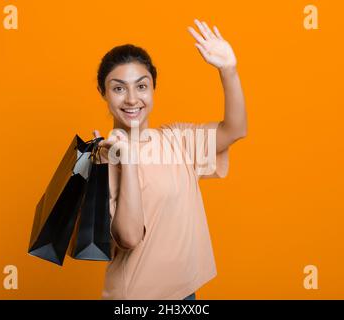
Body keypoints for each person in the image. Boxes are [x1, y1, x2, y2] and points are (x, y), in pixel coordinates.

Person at [94, 19, 247, 300]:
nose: (131, 99)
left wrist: (229, 71)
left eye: (141, 86)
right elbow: (129, 237)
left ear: (153, 88)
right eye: (118, 88)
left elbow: (234, 130)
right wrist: (127, 160)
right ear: (103, 93)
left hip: (185, 293)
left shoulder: (176, 139)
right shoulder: (105, 158)